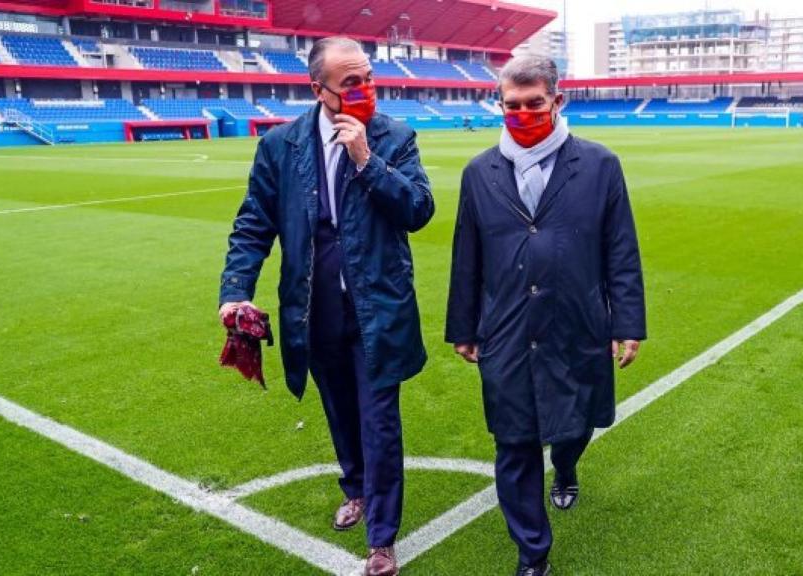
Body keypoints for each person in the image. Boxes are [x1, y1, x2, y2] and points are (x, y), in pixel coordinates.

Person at [218, 36, 434, 576]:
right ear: (319, 90)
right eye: (351, 83)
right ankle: (356, 487)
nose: (365, 91)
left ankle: (381, 537)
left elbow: (419, 209)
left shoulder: (394, 137)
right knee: (339, 406)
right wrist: (235, 289)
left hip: (378, 307)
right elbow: (252, 224)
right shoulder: (280, 146)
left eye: (369, 79)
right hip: (313, 307)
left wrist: (365, 158)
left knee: (379, 419)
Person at [445, 54, 646, 576]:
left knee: (573, 426)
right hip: (507, 328)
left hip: (576, 323)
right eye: (512, 105)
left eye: (535, 103)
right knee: (513, 441)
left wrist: (626, 322)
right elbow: (466, 253)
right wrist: (463, 326)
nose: (523, 113)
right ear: (500, 105)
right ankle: (533, 554)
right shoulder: (478, 172)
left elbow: (620, 248)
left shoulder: (600, 165)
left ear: (558, 101)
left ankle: (568, 465)